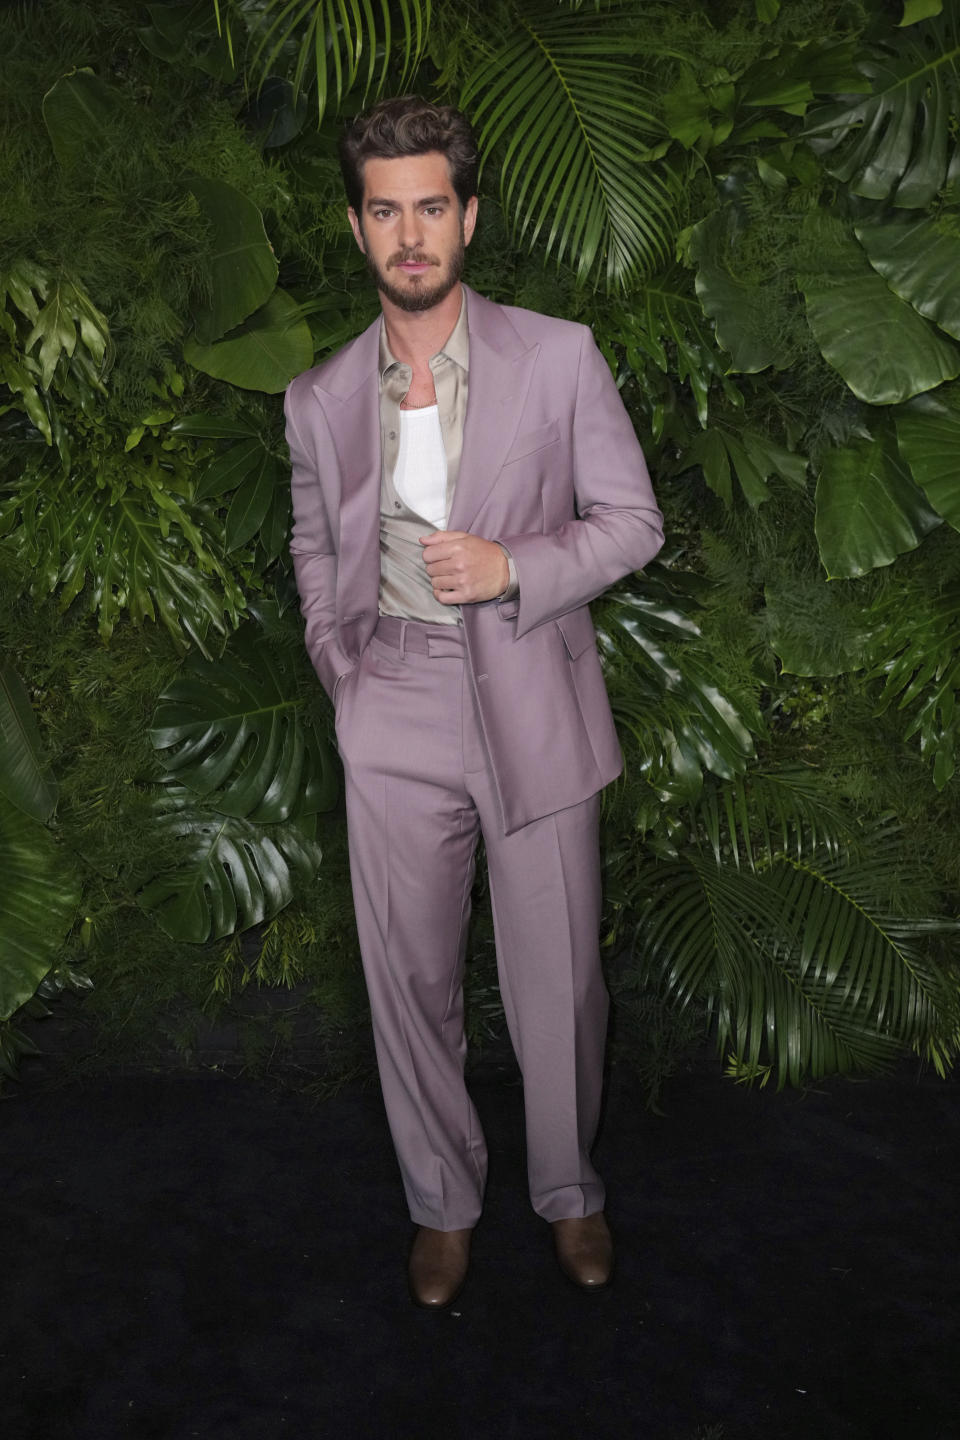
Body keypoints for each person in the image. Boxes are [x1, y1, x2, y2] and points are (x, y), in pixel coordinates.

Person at [284, 96, 664, 1308]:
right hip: (392, 697)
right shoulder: (319, 397)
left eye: (430, 207)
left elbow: (633, 523)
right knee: (410, 979)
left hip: (533, 691)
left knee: (559, 982)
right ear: (357, 228)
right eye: (385, 211)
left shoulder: (557, 356)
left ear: (469, 216)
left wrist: (516, 569)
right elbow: (312, 551)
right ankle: (442, 1206)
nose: (410, 234)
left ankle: (569, 1193)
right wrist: (347, 682)